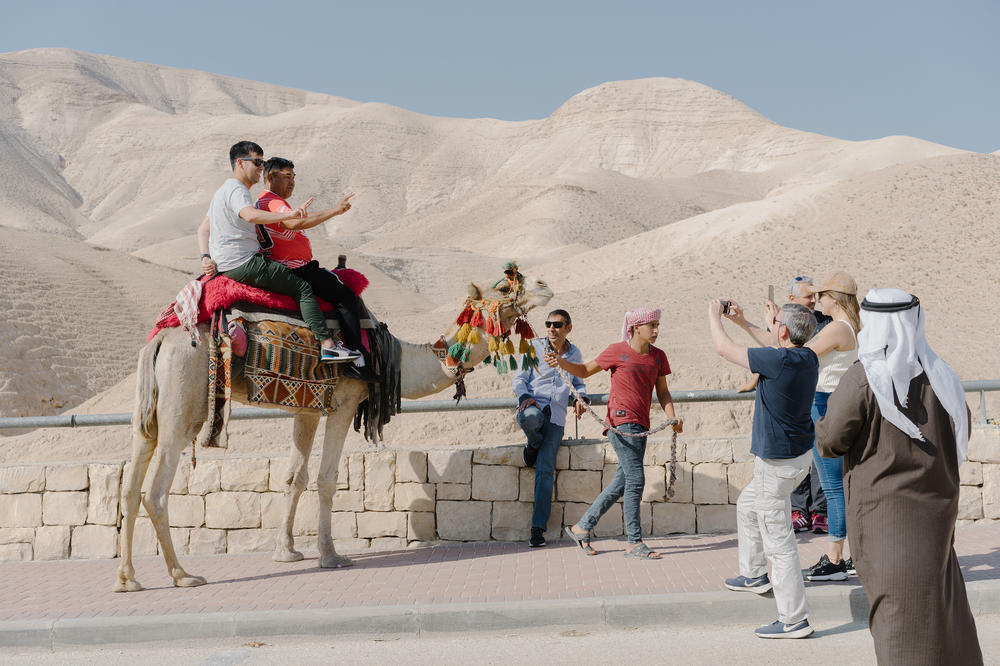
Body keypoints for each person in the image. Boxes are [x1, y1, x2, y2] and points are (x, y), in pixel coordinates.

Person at [817, 288, 982, 664]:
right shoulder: (942, 376)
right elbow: (961, 432)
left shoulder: (865, 379)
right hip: (937, 520)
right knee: (941, 613)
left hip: (884, 523)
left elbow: (830, 440)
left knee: (899, 622)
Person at [710, 298, 817, 639]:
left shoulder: (779, 359)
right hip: (795, 459)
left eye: (775, 323)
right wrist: (744, 321)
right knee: (747, 505)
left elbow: (723, 348)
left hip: (777, 465)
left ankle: (794, 619)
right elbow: (774, 344)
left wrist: (715, 316)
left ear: (783, 330)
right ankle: (753, 574)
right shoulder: (805, 356)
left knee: (780, 545)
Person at [549, 307, 683, 560]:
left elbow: (663, 391)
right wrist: (561, 363)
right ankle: (634, 542)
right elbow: (586, 370)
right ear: (636, 328)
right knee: (636, 480)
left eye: (657, 326)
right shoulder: (616, 351)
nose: (655, 330)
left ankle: (581, 528)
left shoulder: (658, 357)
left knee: (624, 480)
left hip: (641, 426)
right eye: (651, 326)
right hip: (621, 424)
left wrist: (671, 417)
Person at [197, 141, 343, 362]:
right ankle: (328, 345)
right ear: (239, 163)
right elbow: (250, 216)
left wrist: (205, 256)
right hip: (245, 262)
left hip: (227, 265)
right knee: (303, 289)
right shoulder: (238, 190)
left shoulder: (221, 192)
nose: (261, 168)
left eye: (262, 162)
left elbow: (203, 229)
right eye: (257, 162)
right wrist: (289, 215)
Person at [252, 157, 366, 364]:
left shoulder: (266, 202)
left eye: (294, 177)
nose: (292, 182)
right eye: (287, 176)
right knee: (347, 297)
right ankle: (357, 358)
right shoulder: (271, 201)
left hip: (291, 265)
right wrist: (334, 210)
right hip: (295, 268)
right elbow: (293, 222)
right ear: (271, 176)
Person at [798, 270, 861, 582]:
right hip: (833, 404)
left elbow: (798, 357)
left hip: (823, 406)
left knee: (833, 487)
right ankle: (849, 556)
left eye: (819, 295)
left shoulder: (837, 328)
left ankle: (835, 560)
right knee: (841, 485)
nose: (815, 300)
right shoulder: (849, 326)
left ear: (833, 298)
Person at [511, 309, 588, 548]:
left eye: (557, 324)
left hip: (556, 416)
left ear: (568, 328)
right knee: (530, 418)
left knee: (545, 471)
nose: (552, 329)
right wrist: (524, 396)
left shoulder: (574, 354)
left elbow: (579, 382)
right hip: (533, 406)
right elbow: (519, 379)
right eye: (549, 324)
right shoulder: (533, 347)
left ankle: (537, 529)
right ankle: (533, 443)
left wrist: (580, 399)